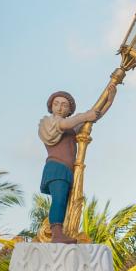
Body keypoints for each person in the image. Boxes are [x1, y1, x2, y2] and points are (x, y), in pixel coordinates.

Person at [38, 91, 103, 243]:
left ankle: (63, 231)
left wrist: (109, 98)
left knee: (66, 203)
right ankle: (56, 233)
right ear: (51, 106)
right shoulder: (49, 123)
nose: (60, 108)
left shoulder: (72, 127)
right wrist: (85, 116)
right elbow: (69, 122)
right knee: (59, 199)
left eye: (64, 105)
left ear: (70, 109)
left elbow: (94, 116)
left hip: (68, 171)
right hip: (56, 168)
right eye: (56, 104)